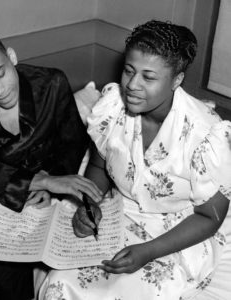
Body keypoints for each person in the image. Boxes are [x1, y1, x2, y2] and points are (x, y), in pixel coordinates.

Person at [38, 20, 231, 300]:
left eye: (148, 77)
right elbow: (98, 165)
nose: (132, 85)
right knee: (59, 285)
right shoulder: (113, 107)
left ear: (177, 79)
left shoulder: (206, 135)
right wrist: (91, 205)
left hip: (174, 232)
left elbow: (209, 217)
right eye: (129, 71)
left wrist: (148, 251)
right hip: (117, 217)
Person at [0, 31, 102, 300]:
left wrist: (51, 186)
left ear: (11, 57)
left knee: (11, 269)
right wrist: (40, 181)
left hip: (36, 191)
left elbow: (72, 143)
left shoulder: (52, 84)